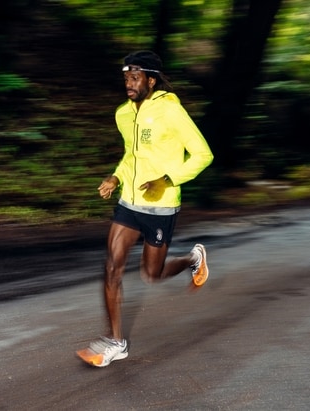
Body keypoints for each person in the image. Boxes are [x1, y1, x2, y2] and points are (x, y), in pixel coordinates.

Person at [76, 50, 213, 367]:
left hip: (161, 206)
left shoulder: (170, 111)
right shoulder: (123, 114)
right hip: (129, 203)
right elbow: (131, 156)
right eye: (125, 77)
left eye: (135, 77)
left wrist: (168, 180)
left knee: (152, 273)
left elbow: (202, 155)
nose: (128, 82)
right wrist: (116, 176)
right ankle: (115, 341)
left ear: (151, 80)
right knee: (111, 266)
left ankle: (193, 258)